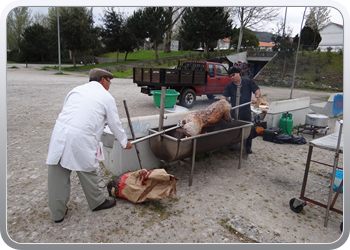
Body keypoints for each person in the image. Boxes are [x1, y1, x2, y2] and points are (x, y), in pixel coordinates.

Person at [46, 68, 132, 223]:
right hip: (81, 136)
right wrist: (125, 142)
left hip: (60, 132)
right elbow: (115, 124)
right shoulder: (106, 97)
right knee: (87, 170)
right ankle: (97, 202)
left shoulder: (76, 90)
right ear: (103, 80)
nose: (109, 85)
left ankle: (57, 213)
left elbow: (70, 110)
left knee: (57, 173)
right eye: (109, 81)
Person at [222, 66, 261, 154]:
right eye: (230, 76)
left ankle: (248, 147)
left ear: (238, 74)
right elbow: (224, 95)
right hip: (234, 110)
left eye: (233, 75)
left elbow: (257, 90)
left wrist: (256, 97)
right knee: (233, 128)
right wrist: (222, 101)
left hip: (245, 110)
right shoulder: (229, 86)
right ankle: (233, 145)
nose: (232, 77)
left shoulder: (248, 82)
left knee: (248, 129)